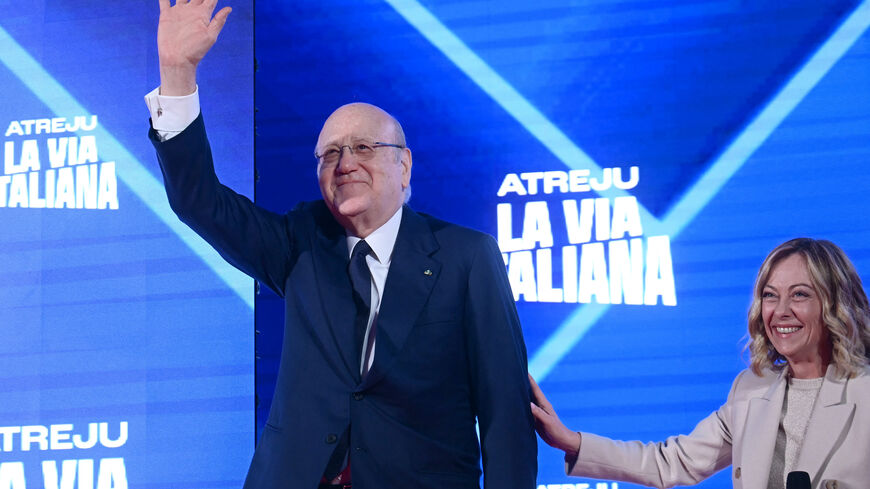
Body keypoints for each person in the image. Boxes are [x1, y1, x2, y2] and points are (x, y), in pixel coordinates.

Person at [145, 1, 537, 488]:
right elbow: (198, 201)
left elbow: (505, 416)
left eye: (364, 148)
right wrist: (177, 72)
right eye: (329, 153)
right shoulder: (299, 243)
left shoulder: (466, 257)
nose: (345, 162)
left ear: (405, 166)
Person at [530, 238, 870, 489]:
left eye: (799, 294)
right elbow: (671, 462)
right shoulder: (751, 390)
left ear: (834, 305)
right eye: (770, 295)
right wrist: (570, 441)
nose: (780, 311)